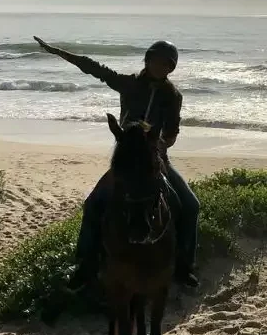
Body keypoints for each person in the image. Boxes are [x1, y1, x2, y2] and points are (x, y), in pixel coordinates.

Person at [33, 36, 200, 290]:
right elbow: (94, 68)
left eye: (166, 64)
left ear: (171, 68)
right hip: (126, 162)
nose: (160, 67)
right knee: (93, 204)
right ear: (147, 60)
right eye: (156, 61)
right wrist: (56, 51)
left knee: (190, 206)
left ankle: (183, 266)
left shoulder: (173, 95)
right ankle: (84, 265)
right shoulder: (128, 84)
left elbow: (172, 134)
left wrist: (156, 146)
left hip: (156, 161)